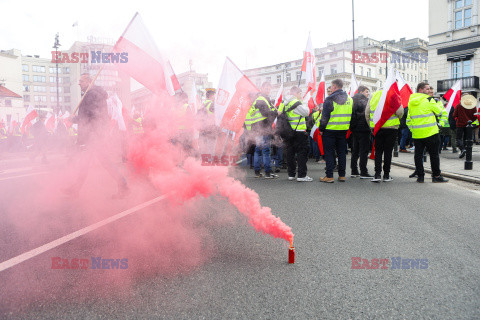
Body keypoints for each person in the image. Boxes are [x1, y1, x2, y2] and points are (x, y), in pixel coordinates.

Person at [64, 73, 129, 198]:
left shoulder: (91, 95)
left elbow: (89, 116)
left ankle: (123, 185)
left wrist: (73, 119)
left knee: (96, 162)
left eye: (81, 81)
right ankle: (76, 189)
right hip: (96, 134)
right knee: (95, 162)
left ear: (89, 82)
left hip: (93, 135)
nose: (79, 84)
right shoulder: (94, 94)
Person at [407, 82, 448, 183]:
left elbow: (408, 120)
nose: (429, 91)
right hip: (431, 132)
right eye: (427, 89)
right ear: (421, 90)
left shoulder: (411, 102)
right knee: (434, 155)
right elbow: (441, 113)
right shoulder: (429, 100)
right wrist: (440, 124)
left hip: (417, 134)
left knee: (418, 155)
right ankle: (436, 176)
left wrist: (414, 130)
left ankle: (420, 177)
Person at [366, 90, 404, 182]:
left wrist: (371, 126)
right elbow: (400, 112)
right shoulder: (394, 94)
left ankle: (377, 174)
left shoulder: (374, 95)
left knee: (378, 151)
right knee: (388, 152)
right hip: (391, 128)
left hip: (378, 127)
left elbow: (367, 113)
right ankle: (386, 175)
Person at [319, 79, 352, 183]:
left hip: (330, 130)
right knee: (342, 152)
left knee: (329, 153)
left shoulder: (329, 99)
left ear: (334, 87)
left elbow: (325, 117)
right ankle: (342, 175)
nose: (331, 88)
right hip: (343, 129)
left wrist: (321, 129)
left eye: (331, 86)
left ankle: (329, 176)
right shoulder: (350, 99)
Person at [244, 82, 278, 178]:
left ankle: (257, 172)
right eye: (266, 88)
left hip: (258, 129)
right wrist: (276, 112)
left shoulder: (259, 100)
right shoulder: (261, 99)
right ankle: (268, 172)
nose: (268, 90)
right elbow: (266, 113)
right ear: (261, 88)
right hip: (263, 129)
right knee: (266, 151)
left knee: (258, 150)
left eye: (269, 88)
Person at [278, 86, 312, 182]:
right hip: (299, 132)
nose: (301, 95)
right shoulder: (295, 102)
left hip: (288, 131)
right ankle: (302, 175)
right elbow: (306, 112)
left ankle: (291, 174)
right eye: (300, 93)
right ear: (296, 93)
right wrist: (304, 102)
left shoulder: (284, 103)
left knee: (290, 153)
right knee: (302, 153)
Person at [350, 86, 373, 178]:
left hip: (355, 128)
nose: (368, 94)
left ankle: (354, 170)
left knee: (355, 150)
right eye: (367, 92)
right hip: (364, 128)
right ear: (362, 92)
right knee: (364, 150)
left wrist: (352, 126)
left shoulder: (352, 100)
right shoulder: (365, 101)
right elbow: (367, 114)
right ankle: (363, 171)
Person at [454, 94, 478, 158]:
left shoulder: (459, 106)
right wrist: (470, 120)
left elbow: (454, 115)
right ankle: (465, 151)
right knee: (466, 138)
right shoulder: (472, 106)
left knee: (458, 138)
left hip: (460, 124)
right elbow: (475, 116)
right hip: (469, 125)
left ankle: (462, 149)